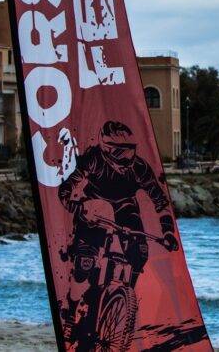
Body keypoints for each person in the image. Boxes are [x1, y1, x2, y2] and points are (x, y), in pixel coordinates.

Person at [58, 121, 179, 346]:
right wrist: (77, 206)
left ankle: (125, 301)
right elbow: (66, 188)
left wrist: (168, 232)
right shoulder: (92, 159)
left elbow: (160, 200)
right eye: (119, 152)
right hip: (94, 207)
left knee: (140, 252)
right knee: (84, 264)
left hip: (126, 208)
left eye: (130, 150)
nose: (126, 158)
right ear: (105, 148)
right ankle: (72, 313)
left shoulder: (140, 167)